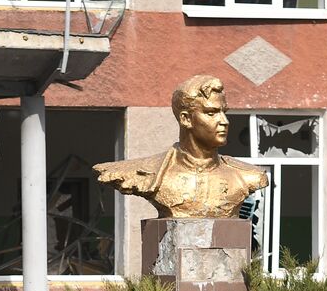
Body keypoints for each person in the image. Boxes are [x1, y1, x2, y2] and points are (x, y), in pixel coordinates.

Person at [93, 74, 268, 219]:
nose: (224, 121)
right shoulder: (142, 172)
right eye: (211, 113)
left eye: (224, 112)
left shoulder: (248, 176)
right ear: (186, 119)